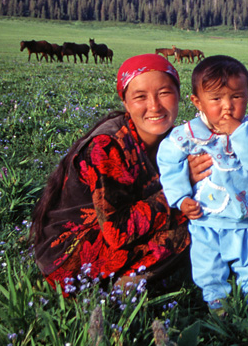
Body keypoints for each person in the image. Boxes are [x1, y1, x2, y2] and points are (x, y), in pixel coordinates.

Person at [30, 53, 211, 294]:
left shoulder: (176, 139)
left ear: (179, 96)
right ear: (125, 103)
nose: (155, 106)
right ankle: (121, 293)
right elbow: (117, 232)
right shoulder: (106, 146)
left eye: (164, 93)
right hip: (69, 258)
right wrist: (182, 182)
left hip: (112, 236)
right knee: (190, 223)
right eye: (140, 97)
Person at [157, 55, 248, 315]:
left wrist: (238, 132)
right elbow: (168, 164)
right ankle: (217, 303)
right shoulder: (187, 135)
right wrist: (180, 198)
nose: (227, 106)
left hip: (244, 219)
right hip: (205, 220)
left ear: (247, 96)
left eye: (236, 97)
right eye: (216, 99)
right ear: (197, 101)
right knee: (208, 266)